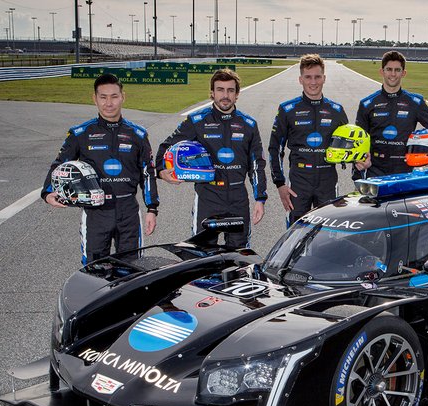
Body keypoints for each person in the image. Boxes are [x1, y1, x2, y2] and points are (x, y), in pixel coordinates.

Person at [41, 73, 159, 265]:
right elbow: (58, 165)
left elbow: (148, 172)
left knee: (133, 269)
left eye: (114, 96)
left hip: (128, 210)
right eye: (103, 97)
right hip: (96, 211)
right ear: (94, 98)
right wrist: (47, 192)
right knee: (94, 270)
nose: (109, 103)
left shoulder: (138, 134)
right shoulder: (80, 133)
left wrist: (152, 208)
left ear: (122, 97)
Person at [155, 68, 267, 248]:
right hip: (208, 196)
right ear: (212, 93)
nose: (225, 95)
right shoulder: (196, 121)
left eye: (230, 90)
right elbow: (166, 146)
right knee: (202, 253)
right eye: (220, 90)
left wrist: (260, 198)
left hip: (238, 197)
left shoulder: (249, 124)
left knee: (238, 256)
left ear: (237, 94)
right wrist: (161, 171)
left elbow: (257, 164)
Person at [268, 54, 349, 225]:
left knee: (327, 235)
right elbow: (275, 148)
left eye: (317, 77)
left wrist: (360, 160)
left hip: (327, 178)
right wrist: (280, 184)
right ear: (300, 79)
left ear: (324, 78)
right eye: (308, 77)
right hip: (299, 180)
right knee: (296, 235)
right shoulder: (287, 110)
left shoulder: (336, 110)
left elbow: (350, 146)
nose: (313, 82)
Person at [355, 50, 428, 177]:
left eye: (397, 70)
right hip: (375, 171)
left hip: (406, 172)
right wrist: (358, 172)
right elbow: (357, 140)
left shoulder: (415, 102)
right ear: (382, 71)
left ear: (403, 73)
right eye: (389, 69)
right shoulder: (367, 104)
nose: (393, 74)